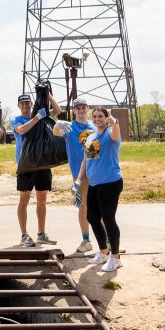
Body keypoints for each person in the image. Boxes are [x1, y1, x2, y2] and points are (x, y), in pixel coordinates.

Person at [12, 88, 62, 247]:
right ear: (19, 105)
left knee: (42, 199)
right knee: (24, 199)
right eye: (23, 103)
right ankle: (24, 235)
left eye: (28, 103)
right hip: (26, 165)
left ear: (32, 103)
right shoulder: (16, 119)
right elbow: (21, 130)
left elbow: (59, 111)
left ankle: (41, 233)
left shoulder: (43, 116)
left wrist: (47, 95)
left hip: (43, 163)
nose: (26, 106)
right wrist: (37, 118)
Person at [76, 107, 123, 273]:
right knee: (92, 216)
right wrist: (78, 180)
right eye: (94, 116)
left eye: (100, 116)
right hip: (95, 184)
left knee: (108, 218)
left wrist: (115, 122)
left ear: (106, 117)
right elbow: (86, 161)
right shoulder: (91, 137)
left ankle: (115, 257)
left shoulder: (111, 133)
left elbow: (116, 132)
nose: (97, 119)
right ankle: (104, 252)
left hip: (110, 182)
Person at [53, 96, 94, 254]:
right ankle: (86, 240)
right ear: (74, 110)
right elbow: (55, 132)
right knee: (83, 208)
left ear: (87, 109)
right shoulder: (70, 128)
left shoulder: (94, 126)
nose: (81, 110)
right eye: (78, 108)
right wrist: (58, 123)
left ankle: (108, 242)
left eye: (84, 107)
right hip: (79, 174)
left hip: (97, 172)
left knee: (100, 208)